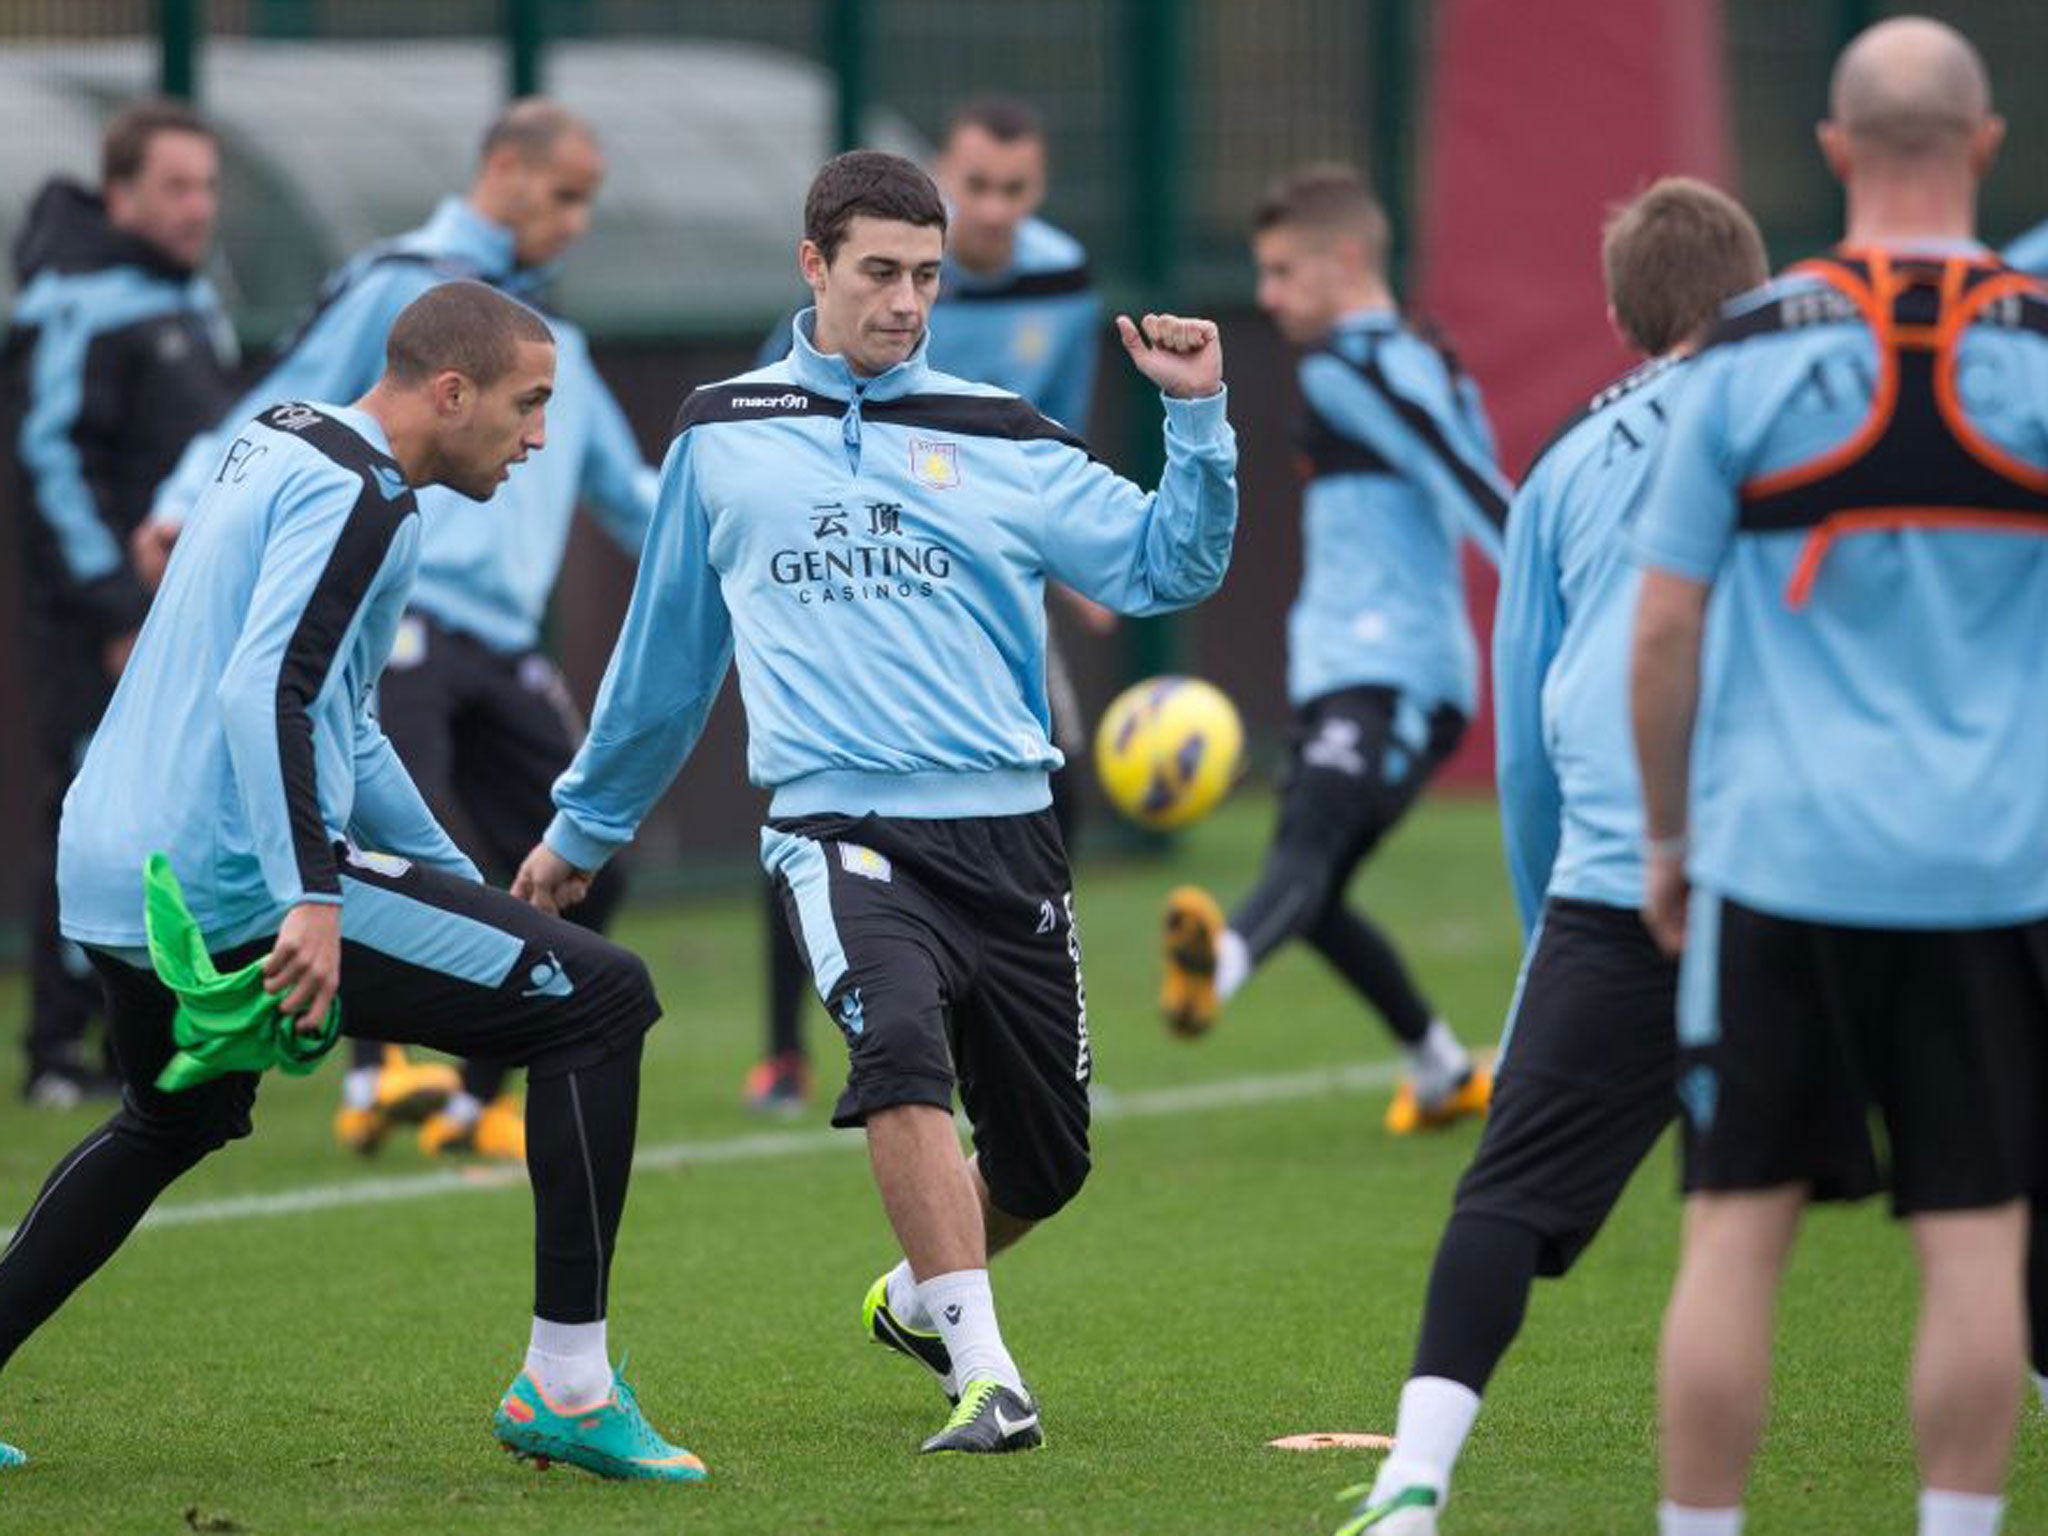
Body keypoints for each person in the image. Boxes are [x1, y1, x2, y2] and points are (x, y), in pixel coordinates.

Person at [515, 149, 1237, 1454]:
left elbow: (1163, 565)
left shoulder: (1000, 432)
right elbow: (665, 662)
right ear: (813, 266)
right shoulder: (722, 434)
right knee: (898, 1054)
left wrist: (1197, 420)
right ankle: (988, 1377)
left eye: (926, 276)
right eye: (879, 273)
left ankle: (921, 1300)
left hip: (1010, 828)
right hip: (834, 828)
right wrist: (584, 830)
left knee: (1047, 1164)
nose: (907, 302)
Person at [0, 282, 700, 1480]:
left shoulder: (278, 433)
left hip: (115, 866)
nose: (538, 438)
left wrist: (454, 880)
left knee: (171, 1119)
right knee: (600, 1000)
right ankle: (569, 1388)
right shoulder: (366, 498)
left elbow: (346, 724)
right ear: (449, 392)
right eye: (527, 407)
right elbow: (260, 691)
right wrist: (311, 898)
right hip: (232, 882)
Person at [1631, 19, 2048, 1536]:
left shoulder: (1747, 352)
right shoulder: (2044, 344)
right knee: (1978, 1242)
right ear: (1986, 146)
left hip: (1780, 859)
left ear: (1832, 150)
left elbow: (1664, 625)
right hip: (1997, 870)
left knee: (1735, 1237)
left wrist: (1670, 840)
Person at [1332, 179, 1768, 1536]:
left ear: (1624, 319)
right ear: (1755, 281)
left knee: (1504, 1200)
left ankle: (1414, 1479)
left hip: (1618, 881)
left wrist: (1551, 931)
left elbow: (1526, 743)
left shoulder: (1571, 458)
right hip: (1814, 865)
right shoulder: (1819, 404)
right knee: (1978, 1191)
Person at [145, 99, 657, 1162]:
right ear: (504, 173)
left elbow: (622, 488)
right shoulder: (401, 282)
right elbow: (285, 397)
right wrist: (181, 498)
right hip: (398, 620)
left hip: (504, 636)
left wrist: (739, 538)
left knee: (575, 847)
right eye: (565, 196)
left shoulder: (552, 338)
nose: (576, 222)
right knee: (377, 828)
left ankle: (482, 1089)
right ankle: (384, 1071)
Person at [744, 94, 1109, 1115]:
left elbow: (1060, 428)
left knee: (1057, 785)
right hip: (871, 574)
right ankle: (783, 1052)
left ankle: (1008, 1005)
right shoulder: (862, 279)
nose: (991, 209)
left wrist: (1075, 554)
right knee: (814, 805)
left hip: (994, 580)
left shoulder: (1064, 277)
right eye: (974, 186)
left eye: (1013, 191)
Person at [1159, 163, 1509, 1133]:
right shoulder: (1414, 351)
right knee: (1309, 885)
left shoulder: (1353, 366)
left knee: (1305, 846)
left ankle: (1216, 967)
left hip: (1389, 670)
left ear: (1343, 259)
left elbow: (1460, 475)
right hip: (1349, 663)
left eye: (1279, 273)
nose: (1265, 297)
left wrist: (1557, 586)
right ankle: (1437, 1067)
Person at [3, 100, 237, 1107]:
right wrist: (112, 610)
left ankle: (137, 1044)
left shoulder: (186, 296)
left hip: (182, 616)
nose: (198, 208)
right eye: (177, 187)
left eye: (209, 187)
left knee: (176, 824)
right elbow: (49, 460)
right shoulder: (72, 300)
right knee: (91, 815)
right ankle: (58, 1049)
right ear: (121, 193)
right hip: (106, 626)